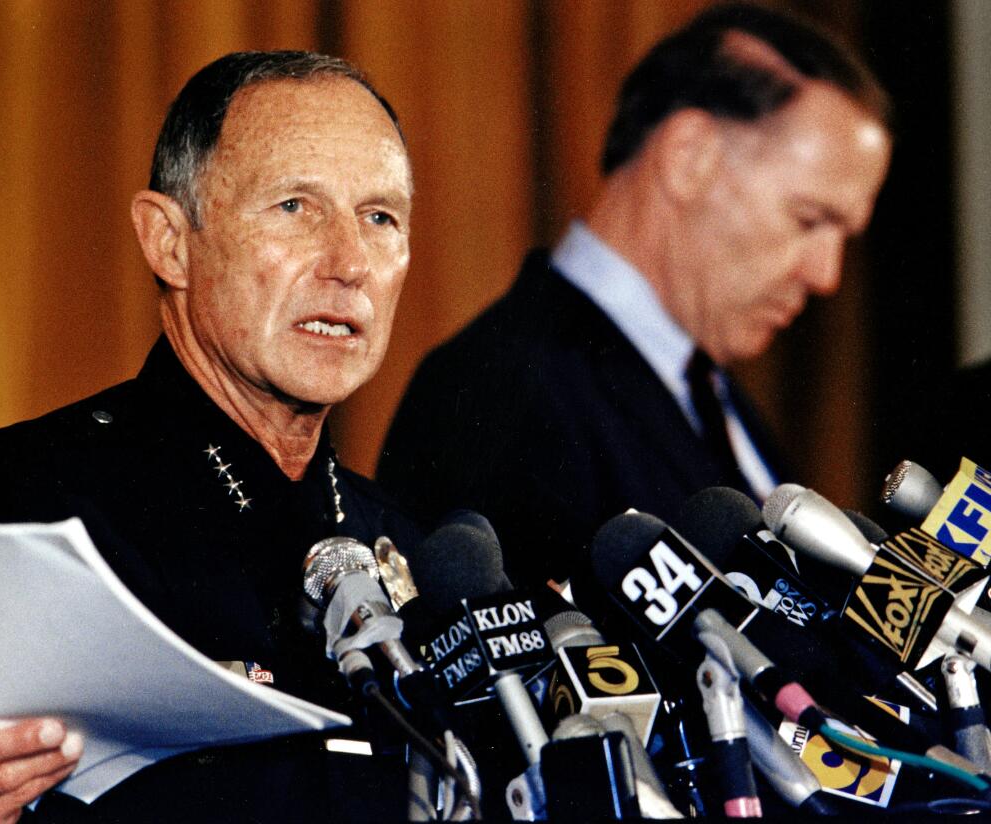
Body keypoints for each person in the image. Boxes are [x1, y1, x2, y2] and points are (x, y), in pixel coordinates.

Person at [0, 51, 418, 822]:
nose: (350, 262)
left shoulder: (419, 551)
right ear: (169, 242)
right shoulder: (13, 507)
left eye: (380, 217)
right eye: (295, 206)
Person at [378, 3, 893, 591]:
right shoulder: (501, 388)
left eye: (843, 236)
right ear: (689, 156)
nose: (827, 275)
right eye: (809, 219)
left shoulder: (708, 394)